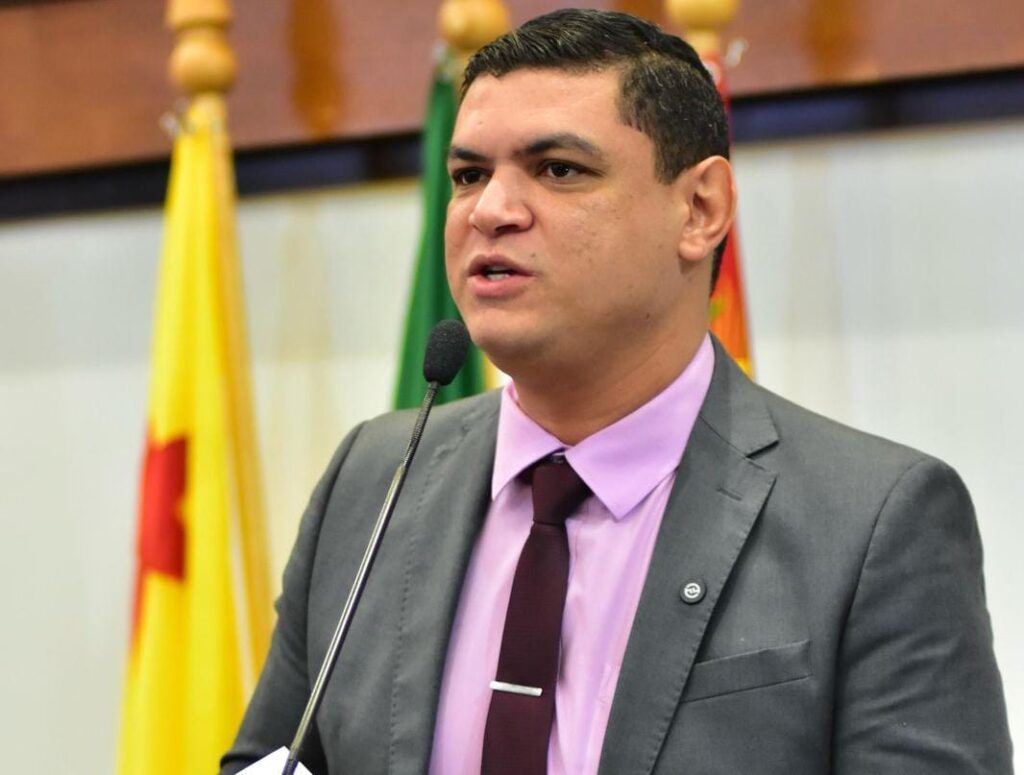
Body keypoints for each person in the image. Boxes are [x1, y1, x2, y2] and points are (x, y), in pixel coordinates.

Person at [221, 9, 1012, 774]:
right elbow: (269, 762)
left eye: (558, 169)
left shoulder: (874, 523)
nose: (490, 210)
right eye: (469, 175)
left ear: (700, 208)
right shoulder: (374, 479)